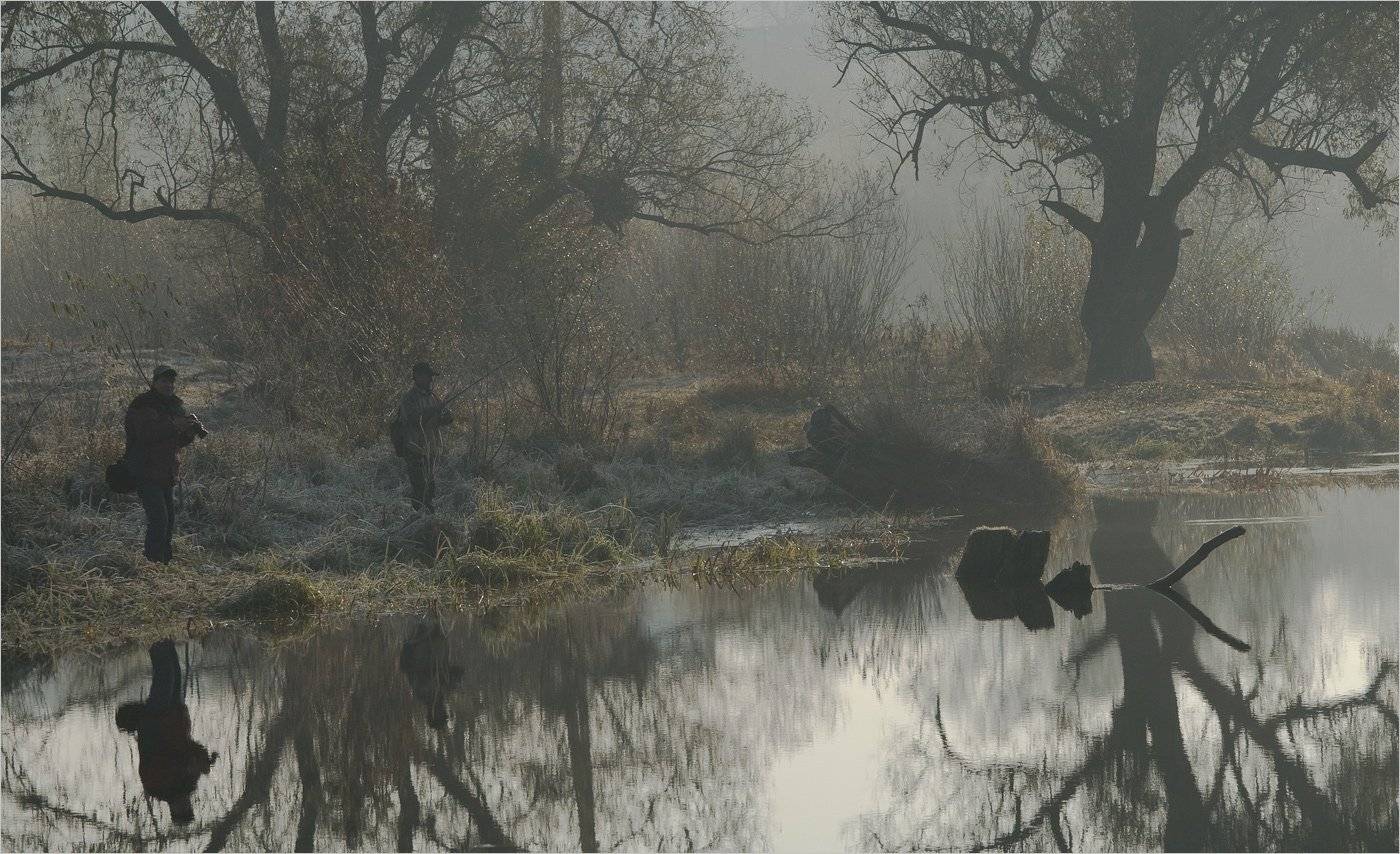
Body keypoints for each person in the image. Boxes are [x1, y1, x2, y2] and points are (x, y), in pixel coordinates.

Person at [114, 639, 218, 825]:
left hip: (156, 720)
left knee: (165, 674)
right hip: (175, 715)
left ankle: (154, 636)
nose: (183, 805)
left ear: (172, 810)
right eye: (187, 808)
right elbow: (190, 748)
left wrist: (188, 765)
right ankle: (164, 638)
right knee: (175, 671)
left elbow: (161, 758)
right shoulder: (189, 783)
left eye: (180, 810)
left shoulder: (156, 788)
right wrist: (203, 760)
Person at [124, 365, 206, 563]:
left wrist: (189, 432)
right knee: (159, 519)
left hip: (167, 472)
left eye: (171, 382)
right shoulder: (142, 404)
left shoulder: (174, 406)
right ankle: (152, 563)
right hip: (144, 469)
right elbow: (145, 435)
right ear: (154, 382)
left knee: (168, 521)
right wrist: (175, 425)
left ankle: (164, 562)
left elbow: (176, 442)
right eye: (163, 381)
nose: (168, 385)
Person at [391, 362, 454, 514]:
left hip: (430, 449)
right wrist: (435, 410)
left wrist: (446, 415)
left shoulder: (433, 396)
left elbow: (443, 419)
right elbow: (414, 419)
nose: (431, 380)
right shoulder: (409, 398)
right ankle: (419, 521)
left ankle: (427, 520)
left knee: (430, 487)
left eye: (431, 377)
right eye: (428, 376)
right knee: (419, 488)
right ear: (418, 377)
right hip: (414, 449)